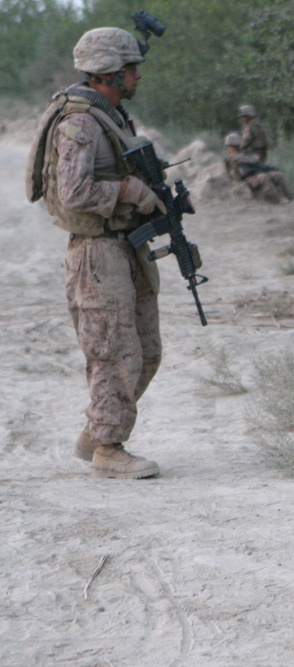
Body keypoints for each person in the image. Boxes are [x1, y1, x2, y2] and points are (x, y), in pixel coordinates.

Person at [26, 26, 166, 479]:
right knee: (114, 351)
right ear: (109, 73)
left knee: (146, 350)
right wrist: (129, 190)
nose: (138, 76)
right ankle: (108, 448)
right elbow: (73, 194)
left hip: (123, 246)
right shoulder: (81, 122)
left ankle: (97, 432)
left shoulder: (112, 115)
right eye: (132, 69)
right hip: (97, 253)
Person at [222, 132, 294, 204]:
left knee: (278, 175)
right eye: (235, 145)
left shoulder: (243, 153)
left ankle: (291, 197)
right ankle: (277, 199)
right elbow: (253, 159)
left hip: (254, 174)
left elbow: (255, 158)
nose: (236, 147)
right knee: (263, 177)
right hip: (246, 178)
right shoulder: (231, 156)